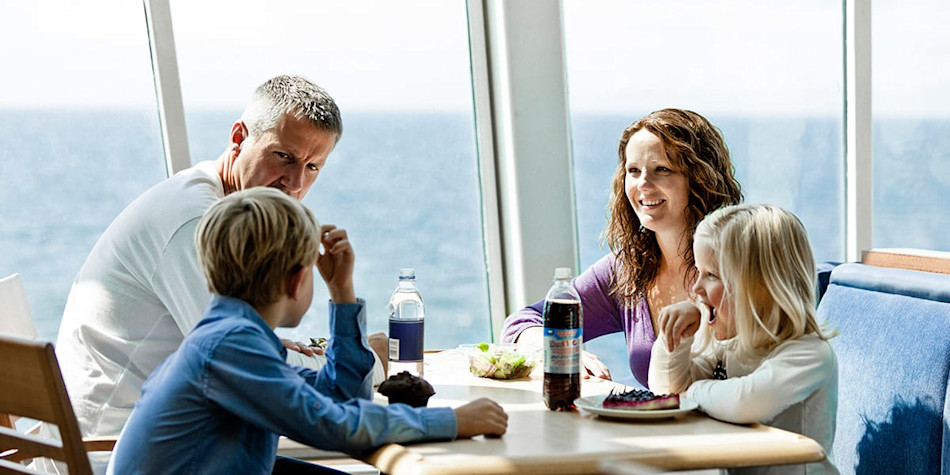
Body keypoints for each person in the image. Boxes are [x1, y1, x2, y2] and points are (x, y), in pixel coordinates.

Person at [54, 75, 387, 441]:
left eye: (312, 167)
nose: (294, 183)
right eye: (284, 157)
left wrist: (278, 348)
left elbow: (248, 355)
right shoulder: (194, 222)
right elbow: (248, 368)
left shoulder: (221, 210)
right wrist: (371, 364)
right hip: (112, 450)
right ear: (239, 138)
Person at [106, 187, 508, 474]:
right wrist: (453, 420)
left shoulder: (228, 337)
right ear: (297, 281)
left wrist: (342, 293)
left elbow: (341, 395)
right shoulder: (229, 345)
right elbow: (332, 423)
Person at [501, 108, 743, 387]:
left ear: (701, 178)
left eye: (661, 170)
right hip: (664, 429)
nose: (643, 185)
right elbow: (523, 322)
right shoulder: (626, 270)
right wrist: (564, 350)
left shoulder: (744, 263)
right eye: (633, 171)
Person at [649, 204, 838, 474]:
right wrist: (677, 341)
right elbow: (666, 392)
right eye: (699, 272)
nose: (695, 288)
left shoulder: (809, 353)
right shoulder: (731, 346)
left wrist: (691, 393)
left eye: (711, 275)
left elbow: (745, 401)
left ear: (761, 288)